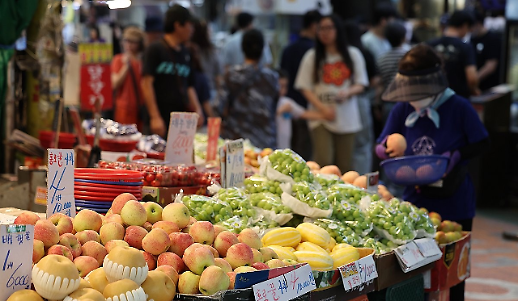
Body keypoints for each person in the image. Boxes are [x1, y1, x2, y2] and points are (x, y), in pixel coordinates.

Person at [375, 44, 489, 301]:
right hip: (415, 200)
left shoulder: (459, 106)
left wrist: (455, 155)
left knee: (453, 273)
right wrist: (386, 150)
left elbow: (482, 142)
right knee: (418, 272)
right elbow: (382, 142)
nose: (414, 97)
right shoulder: (403, 108)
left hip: (454, 200)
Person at [295, 15, 369, 173]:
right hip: (320, 116)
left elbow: (361, 84)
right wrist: (323, 110)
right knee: (324, 161)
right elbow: (304, 87)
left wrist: (347, 92)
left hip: (347, 116)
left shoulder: (352, 54)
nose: (324, 32)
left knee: (344, 165)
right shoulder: (312, 56)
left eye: (329, 28)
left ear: (338, 30)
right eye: (321, 28)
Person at [141, 4, 204, 138]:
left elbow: (189, 86)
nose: (191, 30)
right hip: (159, 120)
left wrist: (198, 109)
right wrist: (155, 117)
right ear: (178, 25)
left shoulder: (186, 53)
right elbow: (147, 84)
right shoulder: (155, 49)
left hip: (180, 122)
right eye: (189, 25)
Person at [218, 29, 279, 149]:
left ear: (243, 48)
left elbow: (218, 107)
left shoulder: (231, 75)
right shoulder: (272, 77)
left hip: (235, 141)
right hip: (264, 140)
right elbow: (274, 108)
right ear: (262, 50)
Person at [279, 9, 322, 160]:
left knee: (289, 148)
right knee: (303, 153)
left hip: (287, 104)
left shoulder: (288, 49)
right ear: (314, 26)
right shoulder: (315, 51)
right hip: (307, 106)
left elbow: (282, 75)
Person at [344, 20, 379, 174]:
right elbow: (375, 79)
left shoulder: (341, 53)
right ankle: (363, 181)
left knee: (346, 145)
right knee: (363, 145)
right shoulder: (364, 52)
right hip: (361, 100)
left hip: (341, 102)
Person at [428, 10, 479, 98]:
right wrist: (474, 90)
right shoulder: (465, 47)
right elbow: (472, 79)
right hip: (458, 99)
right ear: (465, 25)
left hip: (433, 99)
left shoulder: (430, 45)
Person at [276, 70, 324, 149]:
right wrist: (279, 111)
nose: (283, 90)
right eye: (280, 86)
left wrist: (325, 115)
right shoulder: (265, 102)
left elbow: (304, 113)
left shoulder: (287, 103)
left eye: (285, 86)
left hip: (284, 147)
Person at [111, 27, 145, 129]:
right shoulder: (119, 59)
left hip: (141, 107)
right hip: (123, 108)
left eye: (132, 41)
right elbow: (114, 83)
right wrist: (126, 66)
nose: (129, 44)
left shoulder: (143, 61)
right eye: (126, 41)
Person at [377, 22, 408, 121]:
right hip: (407, 101)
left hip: (388, 102)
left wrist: (377, 105)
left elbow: (380, 84)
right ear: (404, 37)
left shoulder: (381, 58)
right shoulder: (409, 56)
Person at [471, 10, 502, 91]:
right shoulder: (472, 39)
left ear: (478, 24)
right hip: (476, 87)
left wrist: (473, 81)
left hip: (489, 87)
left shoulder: (492, 39)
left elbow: (490, 66)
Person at [191, 19, 222, 98]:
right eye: (209, 30)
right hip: (209, 91)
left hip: (192, 92)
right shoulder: (211, 51)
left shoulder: (189, 49)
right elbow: (218, 76)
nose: (210, 32)